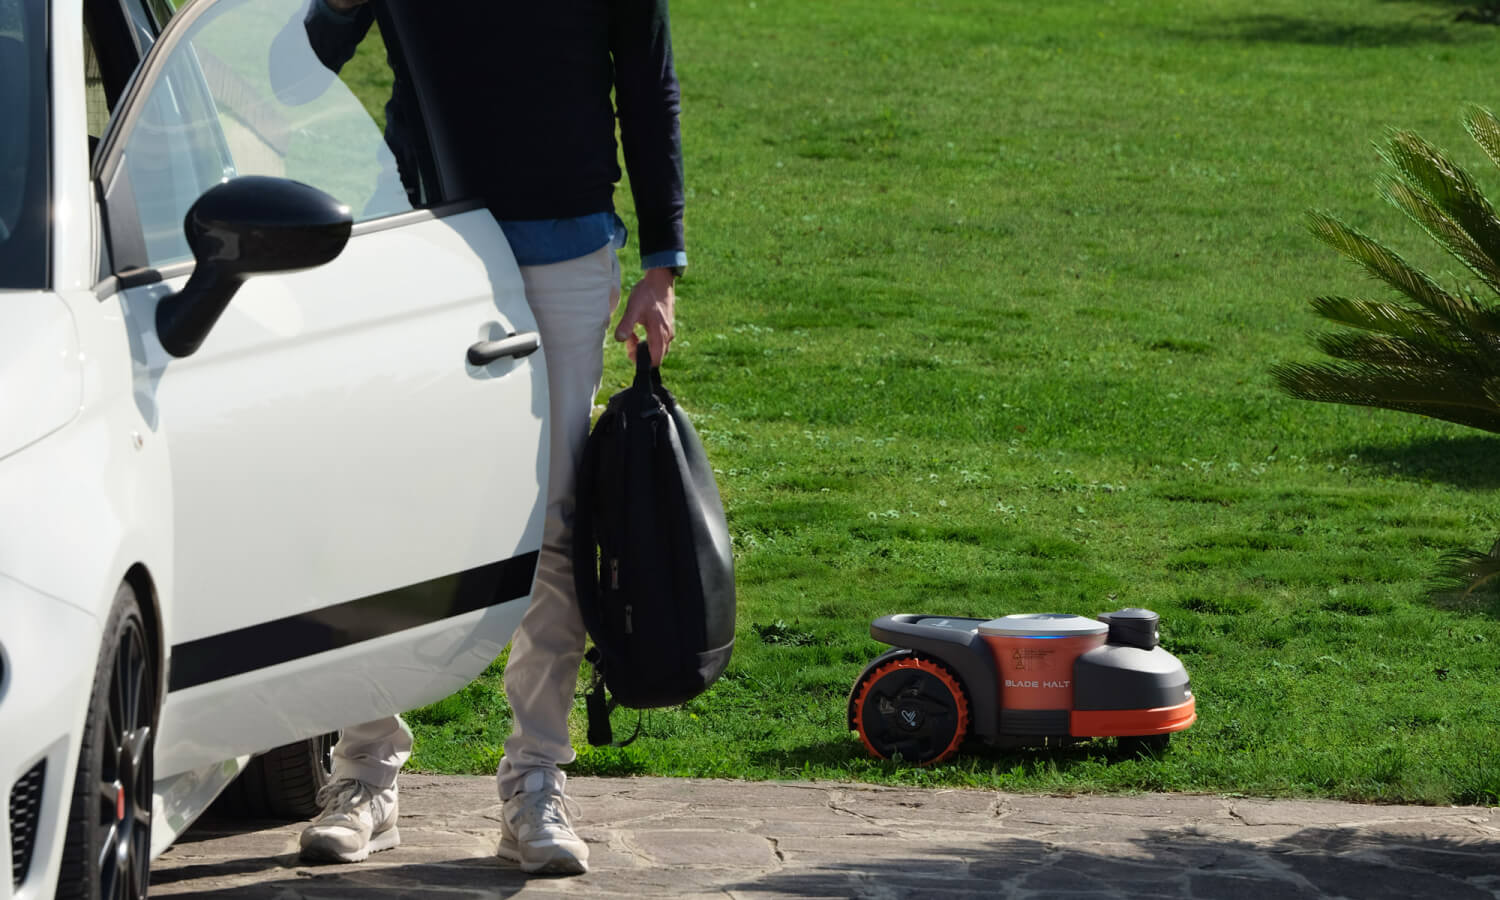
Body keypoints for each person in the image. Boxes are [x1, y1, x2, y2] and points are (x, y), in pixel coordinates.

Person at [292, 0, 685, 876]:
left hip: (566, 252)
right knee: (393, 513)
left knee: (554, 519)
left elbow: (647, 80)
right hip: (423, 243)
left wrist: (663, 260)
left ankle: (536, 781)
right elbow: (301, 59)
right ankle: (364, 775)